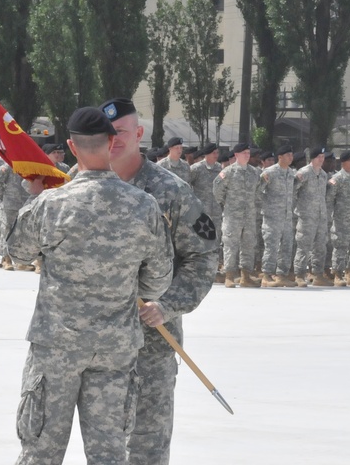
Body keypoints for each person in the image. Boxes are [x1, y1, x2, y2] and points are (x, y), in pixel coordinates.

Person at [8, 106, 174, 465]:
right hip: (114, 348)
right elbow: (159, 279)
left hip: (57, 346)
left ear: (70, 146)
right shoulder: (144, 206)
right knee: (110, 453)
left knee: (41, 451)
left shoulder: (52, 204)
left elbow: (18, 254)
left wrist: (34, 198)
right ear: (112, 142)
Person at [98, 98, 216, 464]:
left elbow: (203, 256)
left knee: (147, 443)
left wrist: (168, 306)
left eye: (120, 132)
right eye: (105, 134)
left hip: (151, 341)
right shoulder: (80, 186)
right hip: (93, 342)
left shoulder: (171, 190)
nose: (112, 140)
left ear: (138, 134)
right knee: (102, 444)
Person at [213, 142, 260, 288]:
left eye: (248, 153)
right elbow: (217, 190)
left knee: (248, 245)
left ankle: (246, 276)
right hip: (232, 215)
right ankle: (229, 276)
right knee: (230, 245)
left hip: (249, 215)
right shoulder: (228, 172)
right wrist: (226, 204)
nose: (247, 155)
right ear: (236, 155)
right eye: (244, 153)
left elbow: (258, 192)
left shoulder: (254, 172)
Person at [258, 145, 297, 287]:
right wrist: (265, 207)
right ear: (280, 157)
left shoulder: (291, 173)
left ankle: (281, 275)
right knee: (272, 246)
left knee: (287, 246)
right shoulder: (270, 172)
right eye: (288, 155)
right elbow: (258, 191)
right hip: (272, 217)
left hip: (287, 217)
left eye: (292, 155)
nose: (291, 158)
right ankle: (267, 275)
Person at [326, 151, 350, 286]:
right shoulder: (336, 179)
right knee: (340, 247)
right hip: (342, 219)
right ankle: (337, 274)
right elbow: (330, 200)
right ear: (343, 163)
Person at [293, 147, 331, 287]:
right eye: (318, 157)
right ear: (312, 159)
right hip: (306, 216)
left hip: (321, 216)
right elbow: (293, 191)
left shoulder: (323, 175)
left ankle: (318, 274)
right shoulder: (303, 173)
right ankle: (299, 274)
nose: (321, 160)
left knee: (320, 246)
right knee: (304, 246)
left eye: (322, 157)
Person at [0, 153, 32, 271]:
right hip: (9, 205)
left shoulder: (30, 167)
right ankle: (6, 259)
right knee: (7, 232)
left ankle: (21, 261)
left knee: (22, 232)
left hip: (24, 205)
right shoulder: (8, 166)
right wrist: (4, 198)